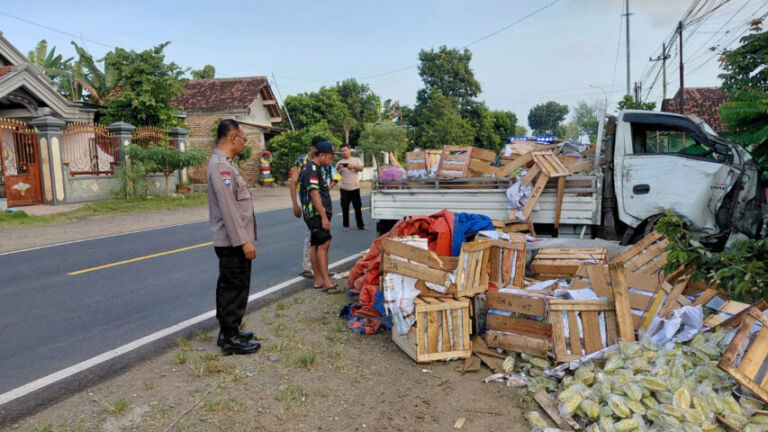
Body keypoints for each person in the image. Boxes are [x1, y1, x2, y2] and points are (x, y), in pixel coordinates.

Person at [207, 119, 261, 355]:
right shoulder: (222, 167)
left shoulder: (226, 163)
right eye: (243, 139)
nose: (244, 144)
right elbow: (229, 207)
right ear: (233, 138)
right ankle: (230, 339)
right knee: (234, 288)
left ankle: (229, 330)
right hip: (232, 242)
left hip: (232, 240)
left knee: (230, 286)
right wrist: (244, 241)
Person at [290, 136, 340, 279]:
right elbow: (294, 183)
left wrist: (325, 192)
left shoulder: (324, 163)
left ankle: (320, 273)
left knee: (317, 241)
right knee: (316, 239)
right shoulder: (303, 163)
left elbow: (335, 178)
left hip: (320, 203)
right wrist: (295, 204)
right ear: (314, 149)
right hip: (312, 206)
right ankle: (312, 270)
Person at [336, 144, 367, 231]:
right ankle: (346, 226)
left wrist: (353, 167)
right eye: (342, 151)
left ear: (349, 150)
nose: (344, 152)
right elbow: (335, 175)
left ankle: (361, 225)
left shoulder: (356, 160)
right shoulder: (339, 162)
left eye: (345, 150)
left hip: (355, 188)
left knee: (357, 208)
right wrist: (338, 169)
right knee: (345, 208)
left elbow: (361, 168)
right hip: (344, 188)